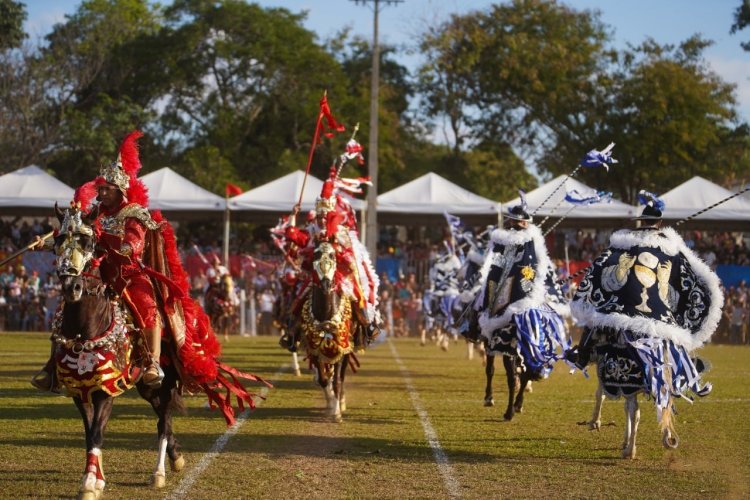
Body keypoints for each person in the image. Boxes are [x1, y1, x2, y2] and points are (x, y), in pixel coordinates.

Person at [31, 132, 244, 409]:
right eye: (101, 189)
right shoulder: (95, 214)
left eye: (108, 189)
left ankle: (153, 362)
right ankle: (51, 368)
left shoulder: (133, 212)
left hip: (130, 275)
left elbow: (135, 239)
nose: (103, 193)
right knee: (66, 308)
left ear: (120, 189)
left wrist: (128, 247)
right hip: (101, 274)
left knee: (147, 307)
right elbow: (74, 236)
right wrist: (45, 242)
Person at [566, 195, 722, 419]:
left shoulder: (621, 246)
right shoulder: (671, 250)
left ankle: (583, 355)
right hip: (656, 315)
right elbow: (690, 280)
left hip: (619, 308)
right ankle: (684, 364)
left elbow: (598, 269)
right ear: (658, 223)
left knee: (594, 325)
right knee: (672, 340)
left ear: (641, 221)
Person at [470, 200, 568, 379]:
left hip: (523, 291)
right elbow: (499, 265)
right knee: (479, 300)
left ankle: (538, 361)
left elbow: (538, 266)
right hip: (511, 290)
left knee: (546, 316)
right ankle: (473, 330)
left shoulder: (528, 241)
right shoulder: (512, 240)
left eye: (514, 221)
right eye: (514, 221)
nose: (512, 224)